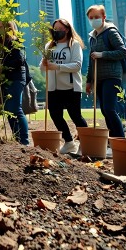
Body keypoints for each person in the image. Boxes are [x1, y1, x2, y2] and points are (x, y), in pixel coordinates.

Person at [41, 18, 88, 154]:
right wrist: (44, 63)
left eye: (60, 29)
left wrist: (58, 66)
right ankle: (69, 142)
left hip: (71, 87)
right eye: (54, 29)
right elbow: (43, 68)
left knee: (75, 116)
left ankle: (85, 143)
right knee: (55, 114)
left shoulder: (74, 45)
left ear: (67, 30)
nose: (56, 32)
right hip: (53, 88)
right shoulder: (49, 45)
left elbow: (77, 65)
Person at [85, 5, 126, 140]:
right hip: (98, 78)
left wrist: (102, 54)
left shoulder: (111, 32)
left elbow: (122, 51)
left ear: (103, 17)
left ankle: (120, 139)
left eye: (97, 17)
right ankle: (112, 140)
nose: (94, 20)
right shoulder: (92, 37)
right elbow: (91, 61)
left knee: (109, 109)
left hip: (112, 76)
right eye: (91, 18)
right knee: (104, 110)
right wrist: (88, 81)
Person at [0, 20, 29, 145]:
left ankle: (24, 141)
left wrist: (1, 67)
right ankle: (14, 139)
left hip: (16, 78)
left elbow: (19, 60)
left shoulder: (16, 42)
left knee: (15, 109)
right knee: (1, 108)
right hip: (2, 79)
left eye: (1, 27)